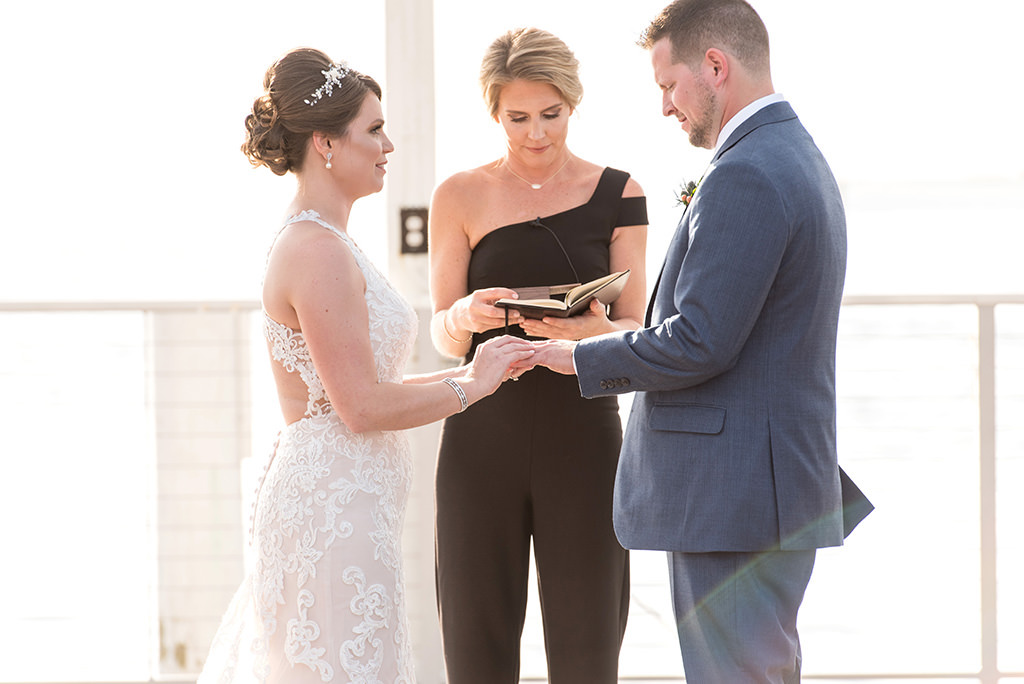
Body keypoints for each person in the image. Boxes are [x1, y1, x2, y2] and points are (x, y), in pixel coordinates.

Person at [526, 2, 873, 682]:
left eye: (667, 85)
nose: (664, 107)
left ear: (715, 66)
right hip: (763, 488)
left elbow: (701, 342)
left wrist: (578, 356)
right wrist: (612, 331)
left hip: (734, 498)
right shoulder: (790, 152)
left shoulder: (746, 171)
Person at [198, 47, 535, 684]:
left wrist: (485, 367)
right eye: (373, 130)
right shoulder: (314, 250)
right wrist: (469, 385)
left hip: (353, 503)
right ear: (325, 143)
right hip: (330, 508)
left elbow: (362, 389)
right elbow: (359, 408)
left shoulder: (332, 241)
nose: (389, 144)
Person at [427, 27, 648, 684]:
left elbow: (637, 330)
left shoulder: (621, 193)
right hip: (478, 441)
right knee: (475, 654)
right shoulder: (458, 196)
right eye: (517, 117)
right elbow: (442, 335)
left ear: (572, 104)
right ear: (494, 112)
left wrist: (588, 332)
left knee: (587, 658)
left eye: (550, 114)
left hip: (583, 440)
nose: (536, 133)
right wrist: (465, 315)